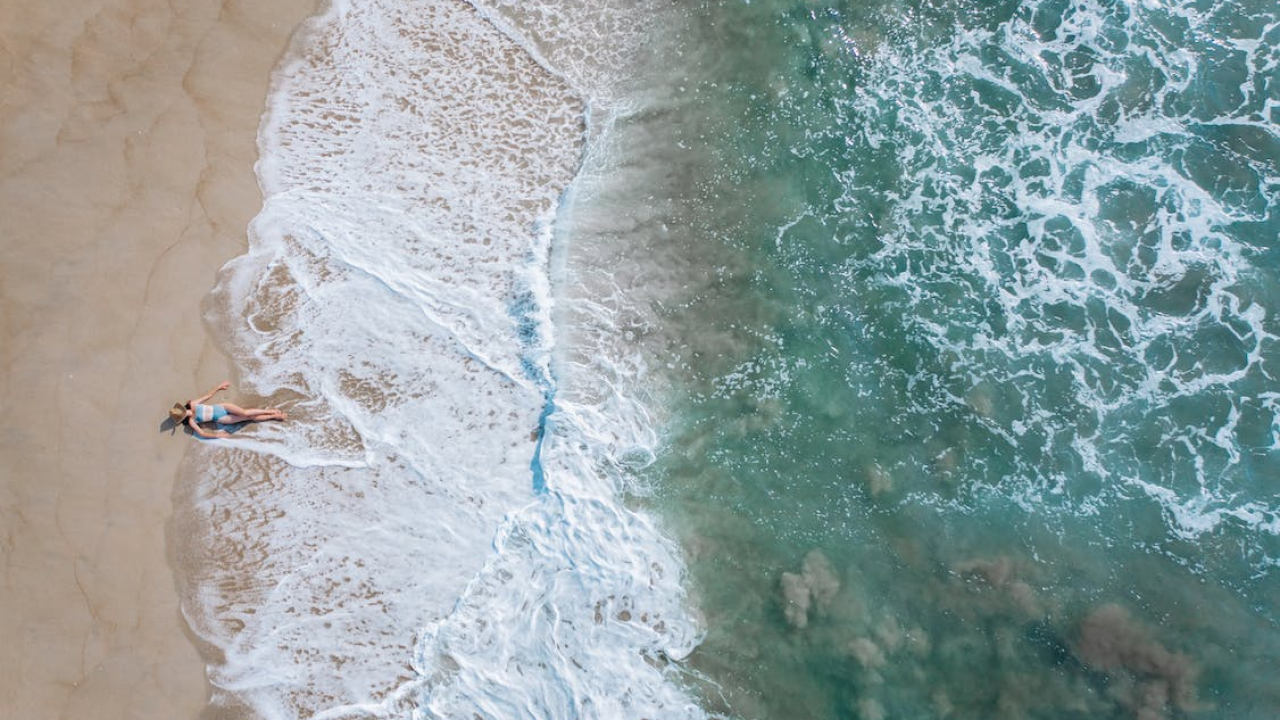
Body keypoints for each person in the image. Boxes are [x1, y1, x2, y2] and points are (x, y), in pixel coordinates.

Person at [169, 381, 286, 439]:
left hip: (222, 407)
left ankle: (270, 412)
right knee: (248, 418)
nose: (186, 414)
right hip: (222, 418)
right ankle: (274, 416)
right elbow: (202, 433)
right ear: (183, 417)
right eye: (183, 415)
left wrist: (219, 387)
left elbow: (207, 396)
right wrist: (219, 435)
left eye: (184, 412)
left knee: (245, 412)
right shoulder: (191, 421)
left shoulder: (193, 404)